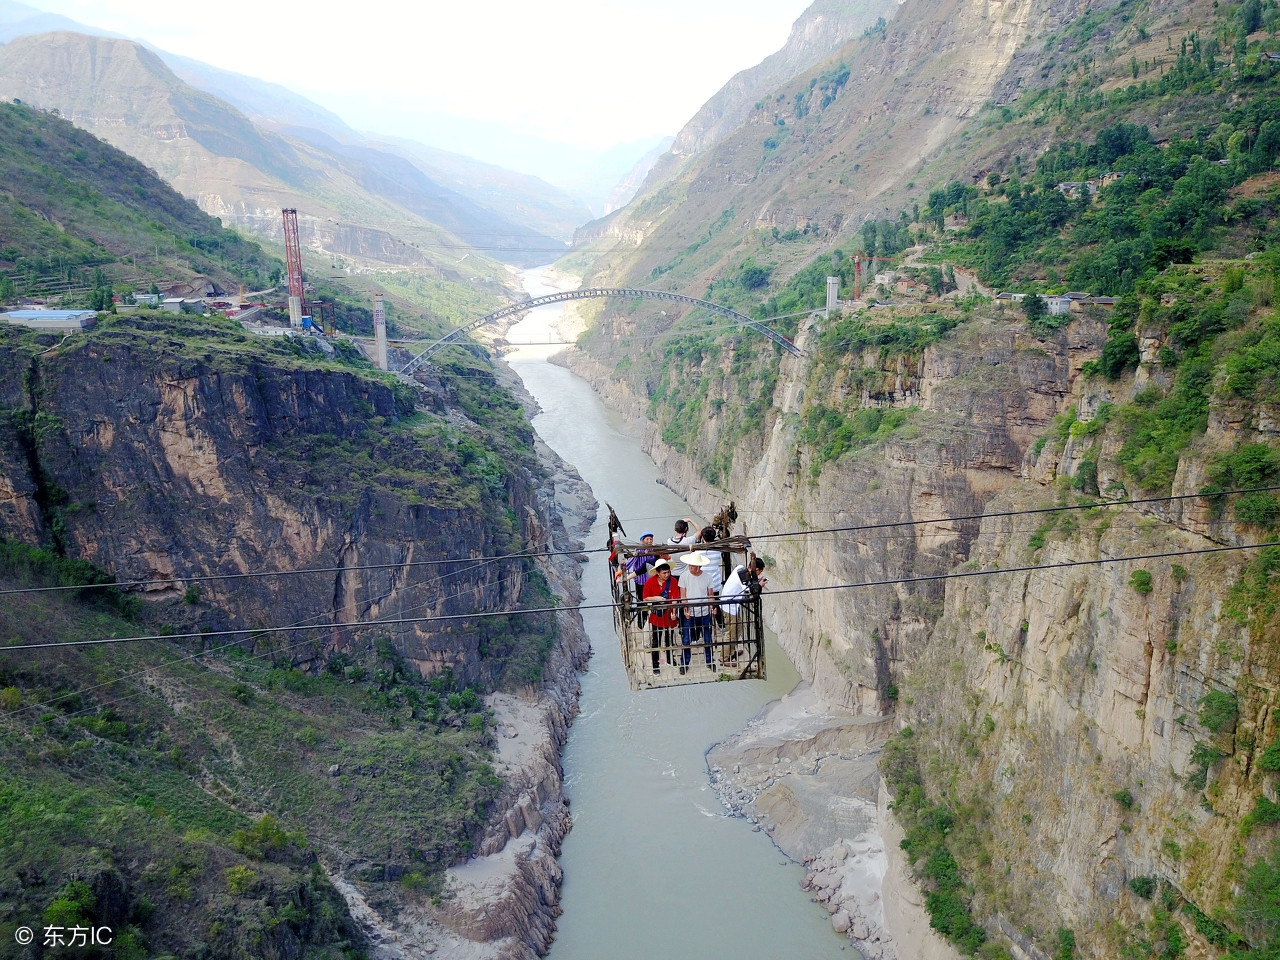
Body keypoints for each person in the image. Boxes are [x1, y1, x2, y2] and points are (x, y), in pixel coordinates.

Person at [721, 557, 767, 664]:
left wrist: (756, 582)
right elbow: (749, 590)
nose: (758, 574)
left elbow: (748, 584)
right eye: (759, 572)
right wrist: (759, 586)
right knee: (730, 633)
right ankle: (724, 658)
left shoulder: (741, 569)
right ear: (756, 569)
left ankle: (731, 651)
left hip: (733, 606)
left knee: (738, 629)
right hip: (729, 607)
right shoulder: (742, 576)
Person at [641, 559, 681, 675]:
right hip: (657, 616)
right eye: (664, 573)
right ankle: (655, 665)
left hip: (669, 615)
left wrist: (674, 612)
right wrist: (657, 598)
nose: (667, 575)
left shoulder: (673, 581)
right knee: (656, 641)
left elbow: (675, 598)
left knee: (669, 639)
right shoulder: (650, 582)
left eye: (668, 572)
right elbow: (645, 598)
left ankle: (670, 659)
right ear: (658, 573)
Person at [679, 551, 718, 672]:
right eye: (690, 564)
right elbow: (683, 595)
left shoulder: (707, 577)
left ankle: (709, 661)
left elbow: (710, 595)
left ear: (699, 566)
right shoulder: (684, 576)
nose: (690, 567)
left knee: (707, 638)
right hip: (690, 613)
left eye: (693, 565)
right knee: (686, 639)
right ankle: (684, 663)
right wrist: (685, 609)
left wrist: (712, 606)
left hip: (704, 612)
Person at [625, 532, 656, 626]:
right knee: (641, 602)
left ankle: (653, 620)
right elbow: (630, 563)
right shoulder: (638, 551)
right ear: (642, 541)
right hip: (641, 581)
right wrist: (622, 571)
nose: (649, 541)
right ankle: (641, 622)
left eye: (651, 539)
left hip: (651, 581)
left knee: (654, 601)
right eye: (647, 539)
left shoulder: (654, 550)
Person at [666, 518, 697, 584]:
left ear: (675, 529)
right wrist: (690, 520)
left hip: (673, 574)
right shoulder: (689, 541)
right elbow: (700, 531)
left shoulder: (669, 541)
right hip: (686, 575)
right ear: (686, 529)